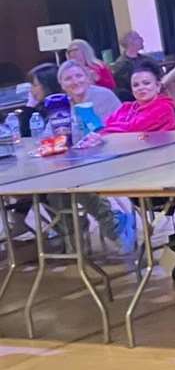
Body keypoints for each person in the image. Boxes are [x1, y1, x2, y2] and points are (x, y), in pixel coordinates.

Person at [53, 61, 139, 252]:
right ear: (62, 84)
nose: (75, 81)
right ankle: (74, 235)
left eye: (78, 76)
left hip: (110, 158)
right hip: (76, 163)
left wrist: (102, 137)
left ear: (87, 77)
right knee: (54, 188)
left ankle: (112, 224)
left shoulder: (103, 96)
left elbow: (124, 126)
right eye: (68, 78)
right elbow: (48, 134)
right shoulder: (61, 105)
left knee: (78, 183)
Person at [97, 61, 175, 134]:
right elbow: (105, 127)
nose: (141, 88)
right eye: (136, 85)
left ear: (157, 86)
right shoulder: (126, 107)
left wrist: (108, 130)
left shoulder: (164, 108)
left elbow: (133, 129)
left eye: (146, 83)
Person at [109, 31, 147, 100]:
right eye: (138, 38)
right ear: (131, 43)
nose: (142, 40)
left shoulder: (147, 59)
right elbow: (124, 89)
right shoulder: (121, 65)